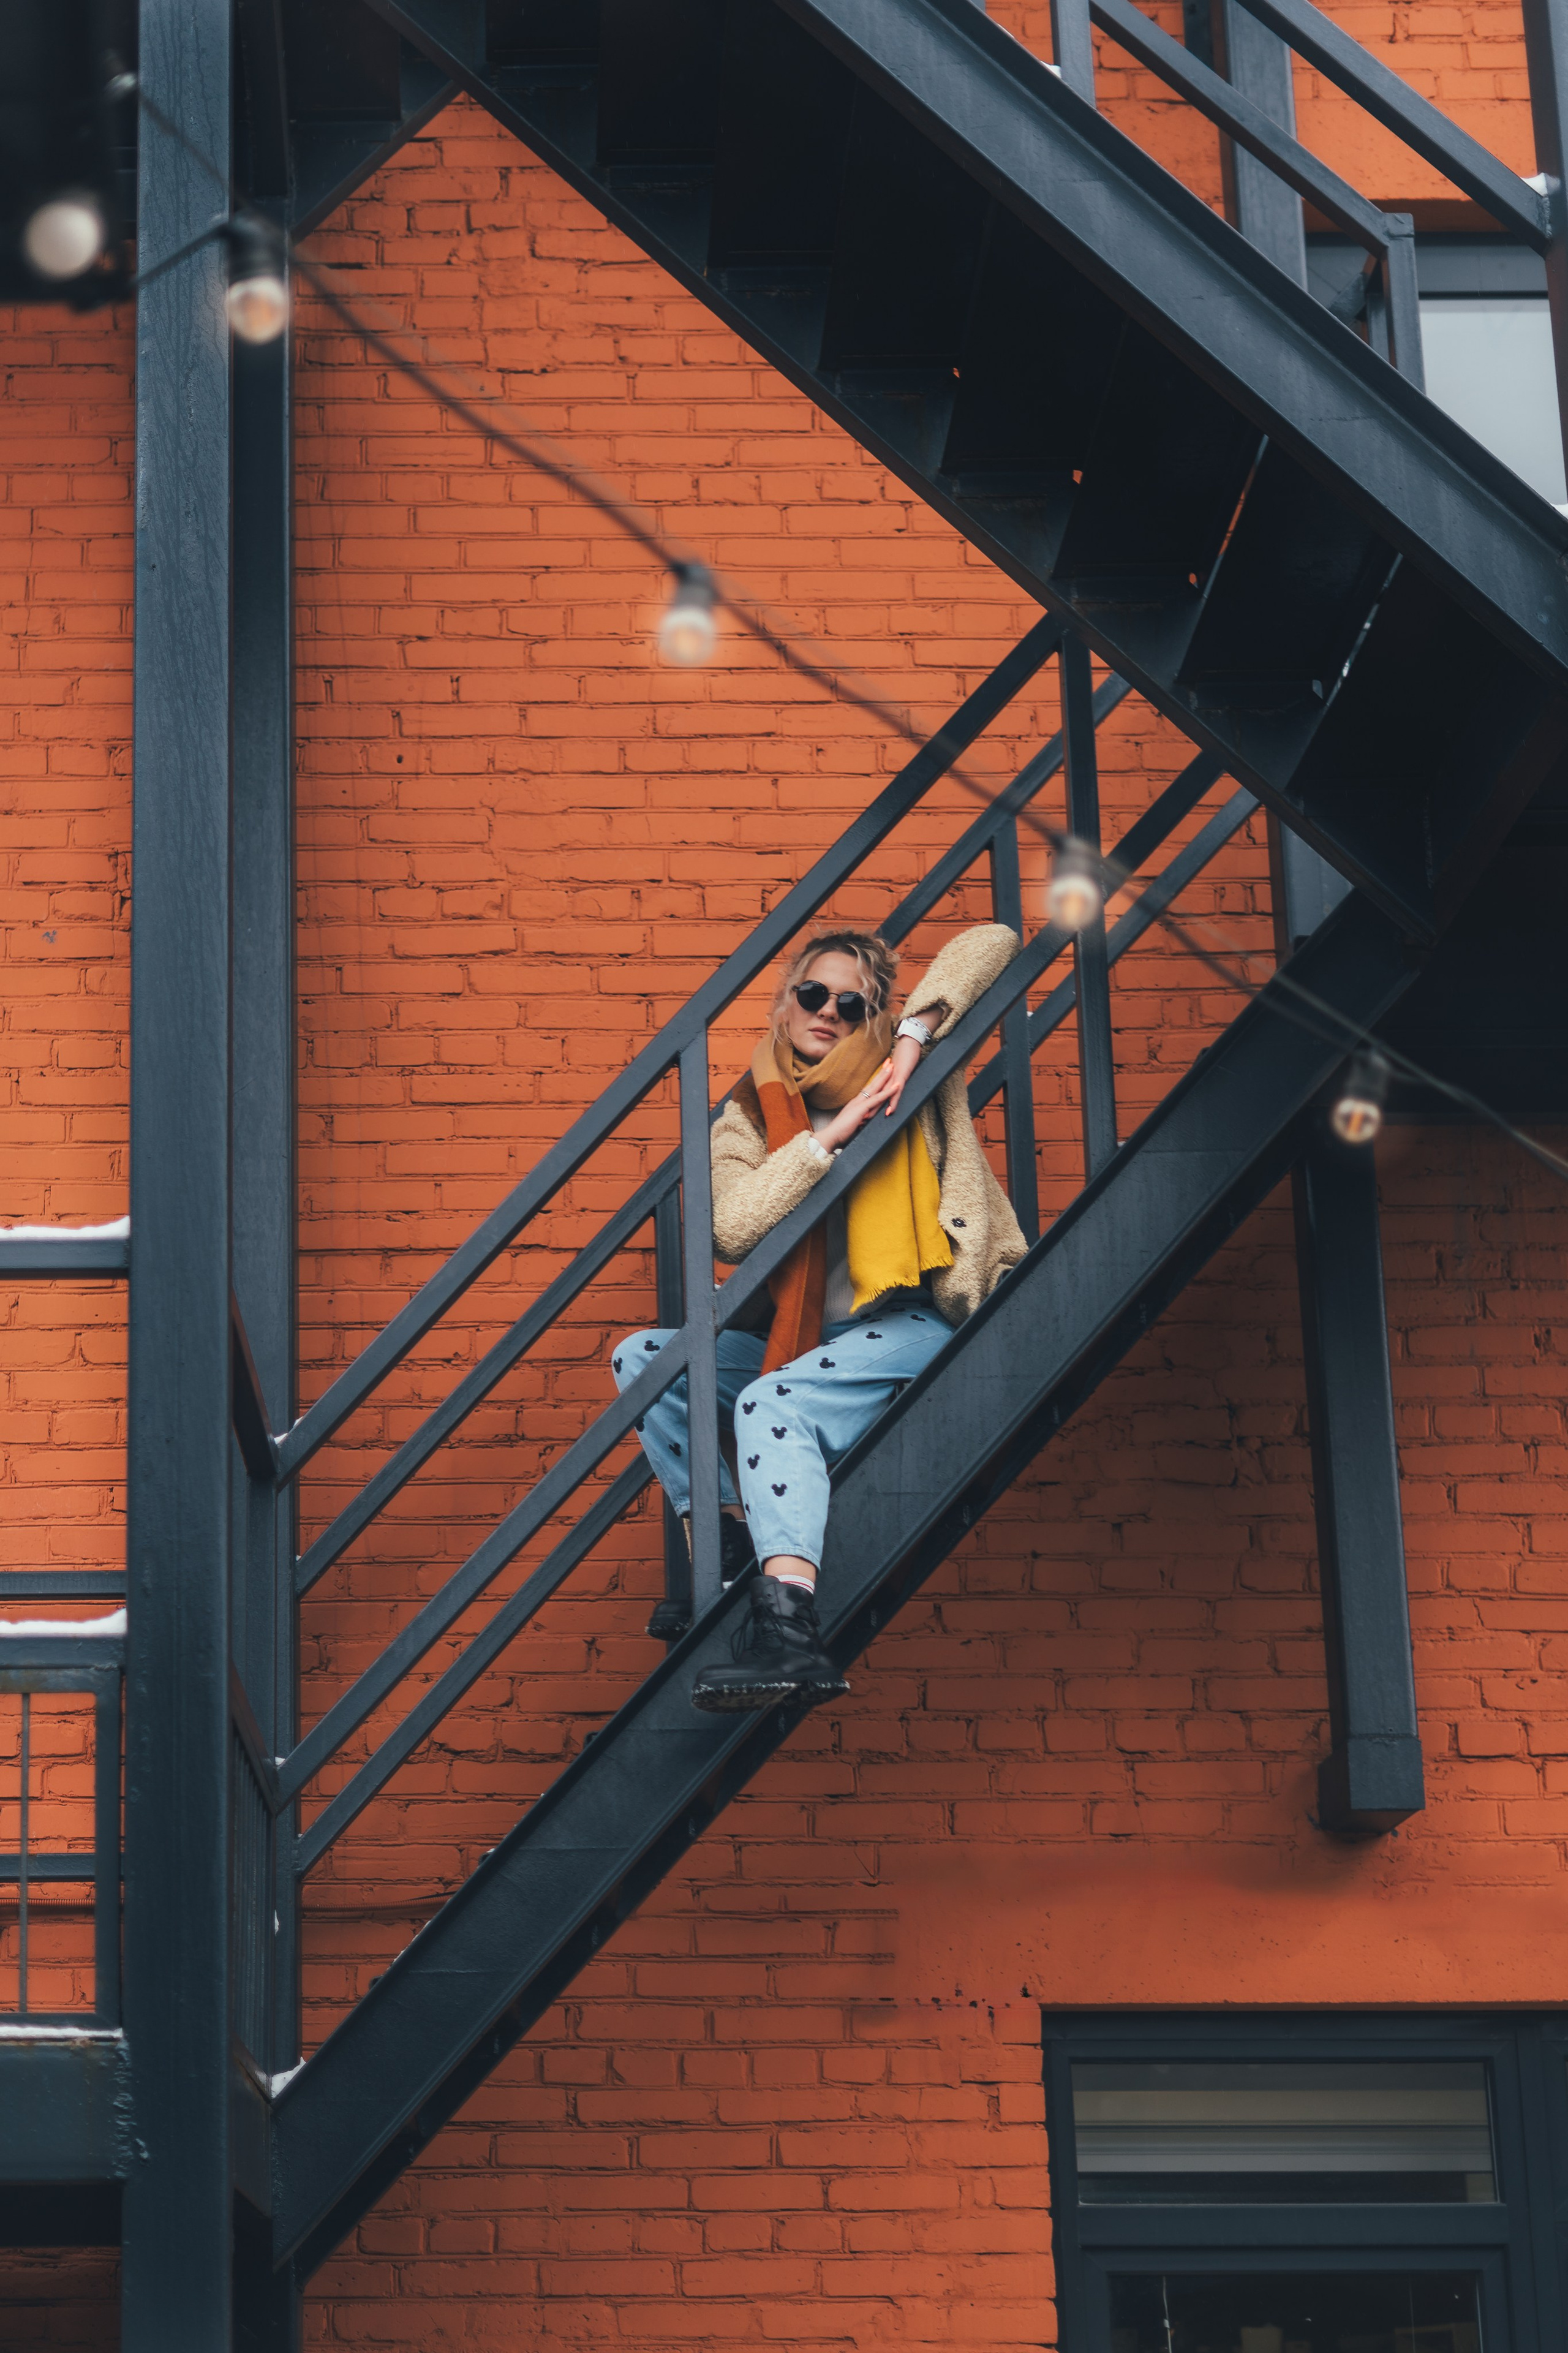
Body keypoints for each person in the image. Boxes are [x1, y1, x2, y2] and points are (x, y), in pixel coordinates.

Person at [612, 923, 1027, 1713]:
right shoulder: (747, 1111)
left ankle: (788, 1626)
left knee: (773, 1403)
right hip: (813, 1341)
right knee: (645, 1361)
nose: (828, 1012)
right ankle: (731, 1543)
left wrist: (910, 1040)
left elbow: (994, 941)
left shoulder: (918, 1073)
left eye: (851, 1002)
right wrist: (826, 1140)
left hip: (918, 1321)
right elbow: (731, 1228)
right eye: (813, 994)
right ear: (786, 1003)